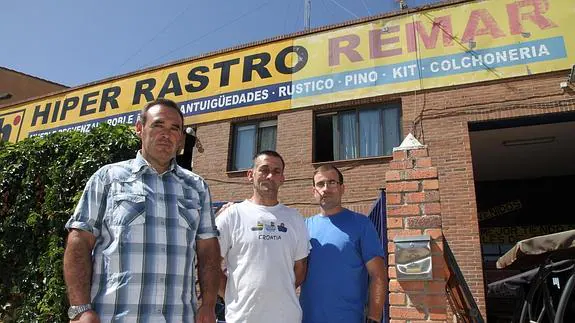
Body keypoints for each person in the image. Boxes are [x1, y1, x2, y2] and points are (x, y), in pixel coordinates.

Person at [63, 98, 221, 323]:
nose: (166, 134)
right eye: (158, 125)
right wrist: (80, 309)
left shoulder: (196, 187)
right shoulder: (108, 178)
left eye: (174, 128)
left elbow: (208, 251)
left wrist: (208, 305)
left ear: (180, 137)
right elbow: (79, 242)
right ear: (139, 129)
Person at [215, 151, 310, 323]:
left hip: (286, 317)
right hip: (241, 318)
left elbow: (300, 268)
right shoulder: (231, 216)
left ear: (282, 178)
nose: (270, 176)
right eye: (264, 170)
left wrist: (279, 291)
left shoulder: (295, 218)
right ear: (250, 175)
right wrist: (231, 295)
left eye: (276, 171)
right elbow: (211, 265)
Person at [300, 165, 388, 323]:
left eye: (332, 182)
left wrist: (374, 317)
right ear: (314, 191)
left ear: (342, 188)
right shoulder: (304, 227)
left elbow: (378, 275)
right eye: (320, 184)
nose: (325, 189)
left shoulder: (361, 224)